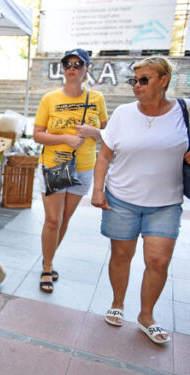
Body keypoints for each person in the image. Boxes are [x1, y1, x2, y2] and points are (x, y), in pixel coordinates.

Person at [79, 57, 187, 345]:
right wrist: (98, 190)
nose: (136, 86)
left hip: (165, 202)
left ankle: (146, 316)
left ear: (163, 81)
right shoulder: (124, 113)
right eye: (133, 81)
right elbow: (105, 154)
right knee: (122, 255)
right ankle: (117, 302)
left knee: (158, 261)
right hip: (122, 198)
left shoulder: (184, 111)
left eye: (144, 80)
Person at [33, 48, 108, 293]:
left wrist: (92, 133)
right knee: (53, 219)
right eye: (68, 64)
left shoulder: (97, 99)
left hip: (84, 167)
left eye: (78, 64)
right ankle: (46, 266)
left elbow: (109, 135)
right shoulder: (50, 98)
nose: (72, 68)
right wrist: (65, 137)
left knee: (65, 219)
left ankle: (49, 259)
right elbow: (38, 134)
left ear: (87, 69)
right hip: (55, 165)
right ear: (63, 69)